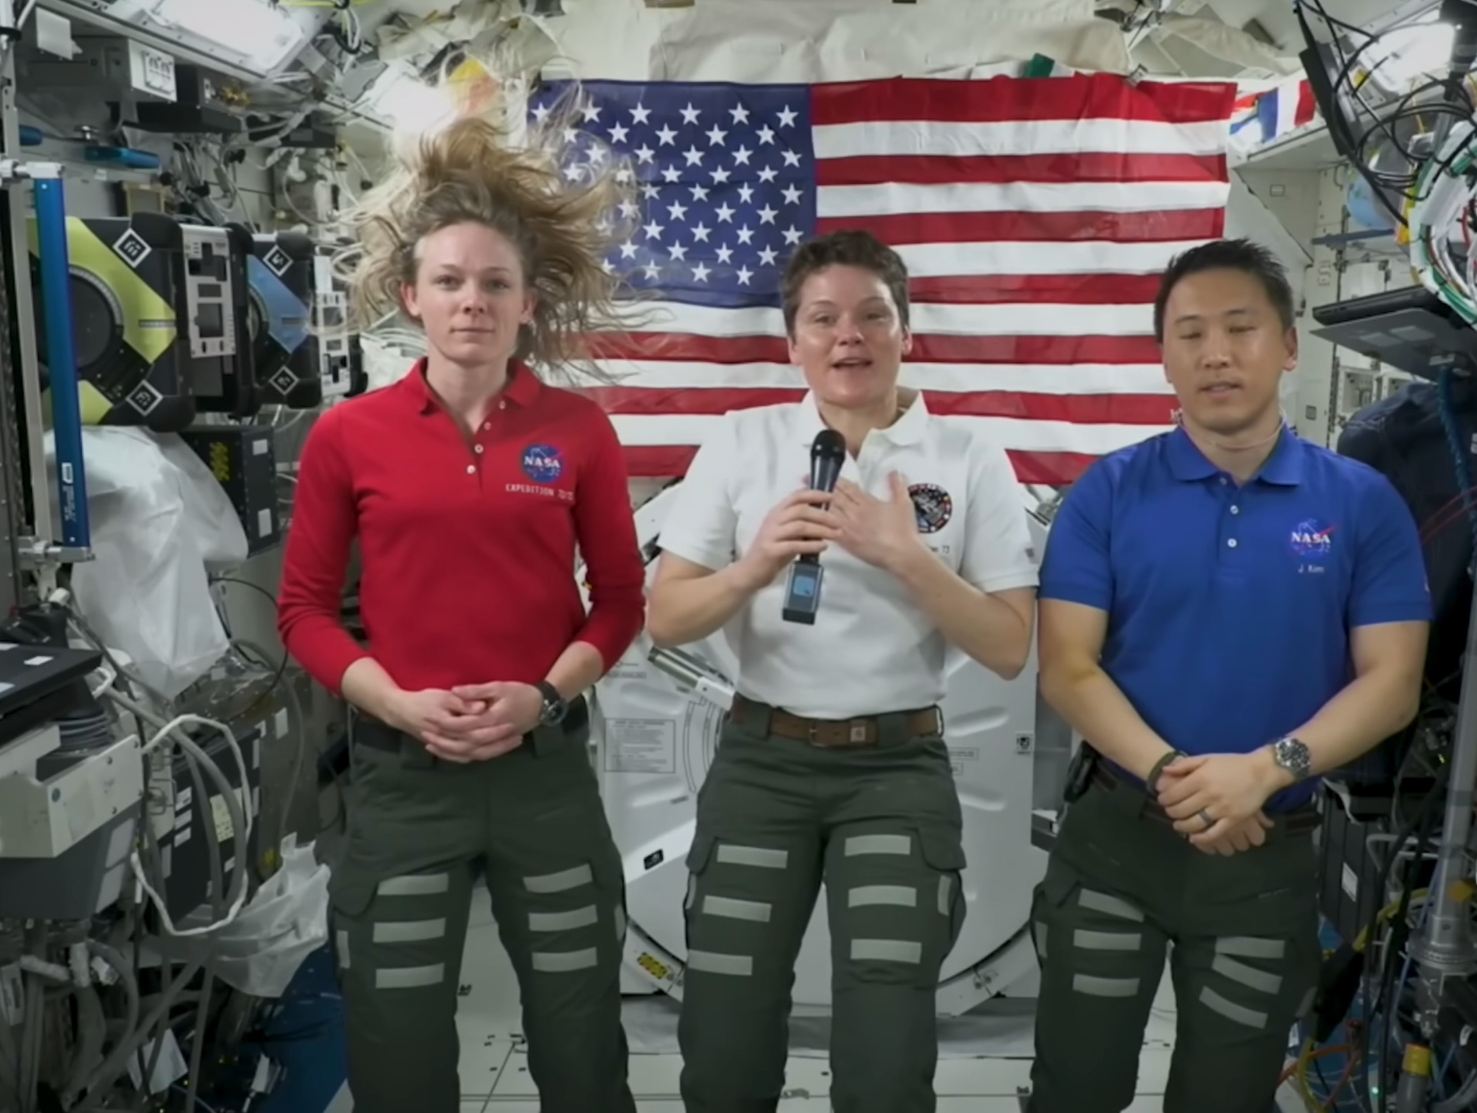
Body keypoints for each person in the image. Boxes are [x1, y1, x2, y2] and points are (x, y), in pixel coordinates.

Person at [276, 112, 646, 1113]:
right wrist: (395, 704)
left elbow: (619, 602)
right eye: (448, 281)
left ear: (528, 303)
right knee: (396, 1051)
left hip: (544, 781)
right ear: (412, 297)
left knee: (580, 1041)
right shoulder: (348, 435)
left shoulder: (578, 432)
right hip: (403, 784)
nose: (471, 301)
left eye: (493, 283)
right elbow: (303, 610)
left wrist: (544, 697)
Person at [1025, 239, 1431, 1113]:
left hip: (1265, 855)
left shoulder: (1360, 502)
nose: (1215, 353)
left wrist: (1263, 771)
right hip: (1115, 844)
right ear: (1164, 357)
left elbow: (1391, 682)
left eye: (1240, 328)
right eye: (1190, 333)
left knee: (1227, 1094)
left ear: (1287, 346)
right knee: (1074, 1087)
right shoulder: (1108, 493)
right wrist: (1175, 774)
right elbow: (1066, 666)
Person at [647, 229, 1041, 1113]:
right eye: (822, 319)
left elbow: (1009, 644)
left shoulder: (967, 454)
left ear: (906, 331)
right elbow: (666, 616)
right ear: (793, 341)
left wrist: (905, 556)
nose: (847, 336)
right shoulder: (742, 441)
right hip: (761, 763)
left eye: (871, 315)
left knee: (886, 1052)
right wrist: (754, 565)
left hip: (895, 772)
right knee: (724, 1033)